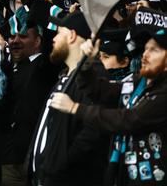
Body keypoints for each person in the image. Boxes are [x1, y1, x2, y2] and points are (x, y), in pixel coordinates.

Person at [50, 28, 167, 185]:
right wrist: (86, 64)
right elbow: (101, 91)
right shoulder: (139, 82)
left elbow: (129, 120)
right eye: (146, 49)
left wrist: (75, 108)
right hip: (123, 175)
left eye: (154, 50)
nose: (145, 55)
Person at [29, 12, 109, 186]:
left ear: (72, 35)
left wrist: (56, 168)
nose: (54, 39)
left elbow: (91, 134)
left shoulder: (95, 79)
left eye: (58, 33)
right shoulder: (65, 78)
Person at [0, 9, 57, 186]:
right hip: (7, 159)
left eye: (23, 36)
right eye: (11, 36)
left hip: (32, 159)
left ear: (38, 41)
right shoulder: (8, 68)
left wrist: (41, 10)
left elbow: (52, 49)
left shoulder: (43, 66)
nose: (15, 41)